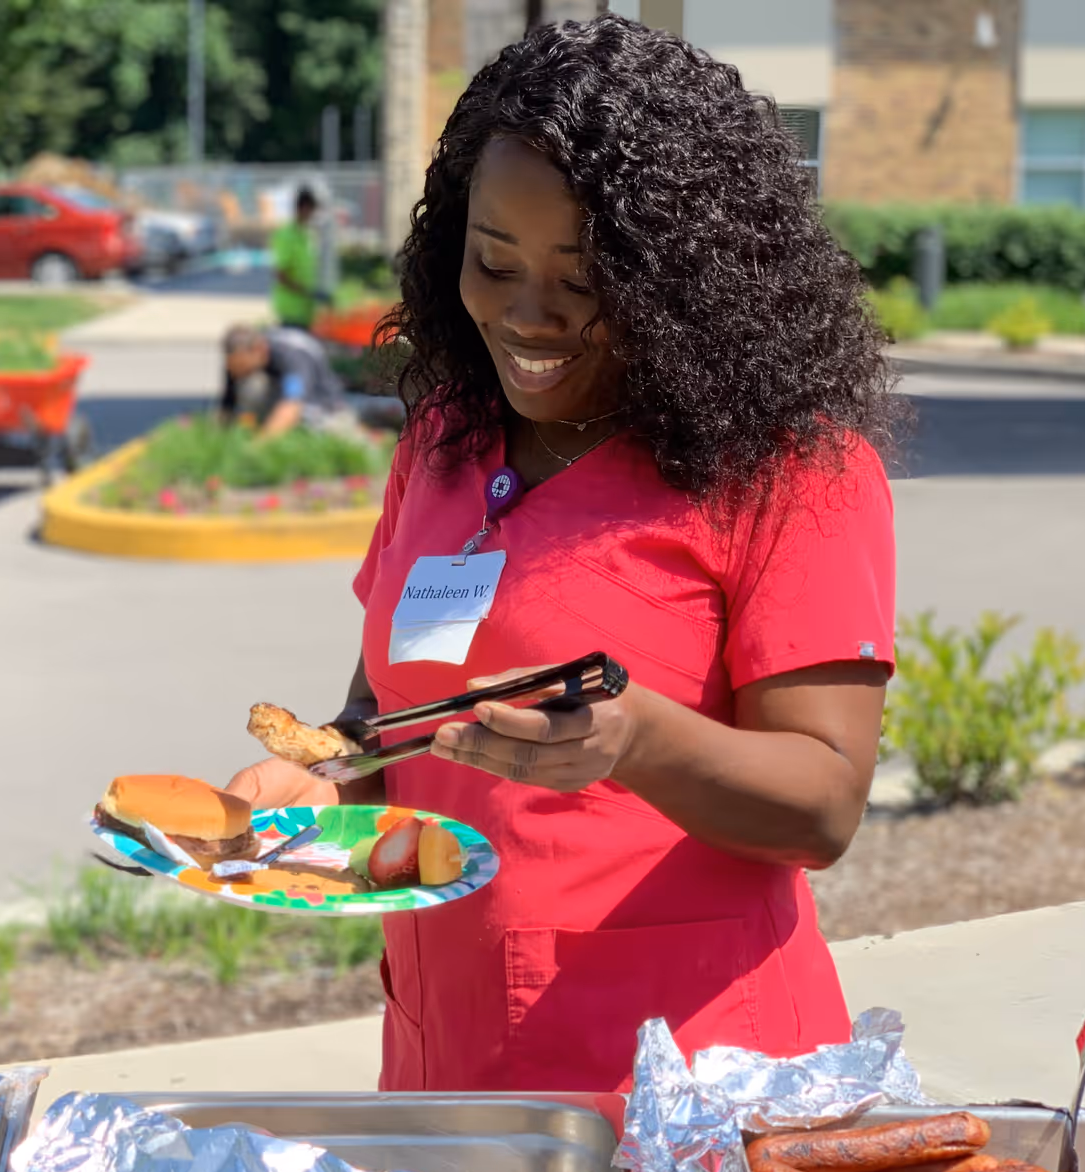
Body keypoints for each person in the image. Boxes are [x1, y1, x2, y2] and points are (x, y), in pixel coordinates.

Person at [227, 16, 902, 1094]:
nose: (526, 316)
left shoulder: (787, 471)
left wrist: (636, 741)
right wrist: (307, 792)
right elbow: (385, 721)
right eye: (492, 262)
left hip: (689, 1084)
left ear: (684, 283)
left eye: (583, 281)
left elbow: (823, 804)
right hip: (453, 1057)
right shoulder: (445, 443)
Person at [220, 323, 353, 438]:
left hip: (323, 408)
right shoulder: (240, 361)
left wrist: (260, 444)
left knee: (307, 420)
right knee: (252, 388)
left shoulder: (292, 354)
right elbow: (226, 409)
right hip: (283, 398)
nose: (240, 373)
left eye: (243, 365)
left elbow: (292, 405)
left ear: (259, 349)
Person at [270, 187, 325, 330]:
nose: (312, 215)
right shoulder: (286, 235)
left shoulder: (305, 234)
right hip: (291, 310)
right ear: (304, 208)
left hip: (305, 310)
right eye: (311, 210)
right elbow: (280, 274)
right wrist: (305, 291)